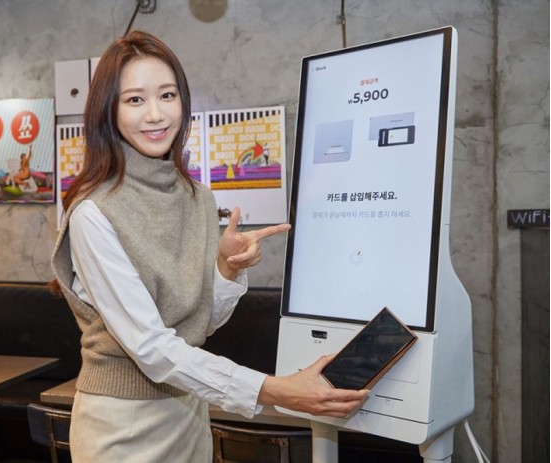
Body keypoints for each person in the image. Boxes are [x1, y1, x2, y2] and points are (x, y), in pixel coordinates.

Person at [50, 31, 368, 463]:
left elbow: (201, 325)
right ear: (109, 110)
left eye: (167, 95)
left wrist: (226, 267)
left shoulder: (198, 197)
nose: (156, 114)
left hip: (188, 411)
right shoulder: (94, 212)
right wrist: (275, 390)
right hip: (121, 426)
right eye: (135, 100)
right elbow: (151, 348)